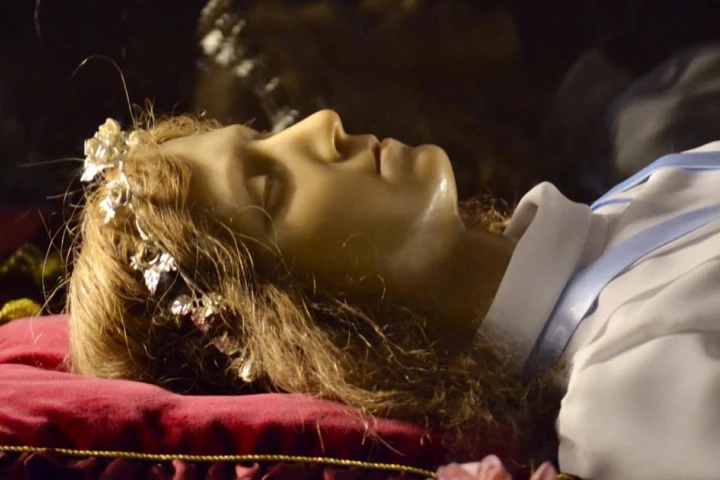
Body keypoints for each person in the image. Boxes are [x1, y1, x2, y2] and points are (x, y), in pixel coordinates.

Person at [68, 108, 720, 479]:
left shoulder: (626, 211)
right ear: (306, 326)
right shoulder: (631, 392)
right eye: (269, 186)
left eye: (264, 135)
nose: (320, 124)